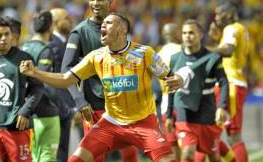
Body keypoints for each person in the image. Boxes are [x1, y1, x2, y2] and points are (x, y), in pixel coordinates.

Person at [20, 12, 185, 162]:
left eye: (108, 23)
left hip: (143, 122)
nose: (102, 26)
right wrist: (35, 73)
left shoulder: (145, 54)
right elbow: (65, 78)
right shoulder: (96, 57)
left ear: (122, 29)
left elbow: (171, 76)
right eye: (102, 24)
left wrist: (179, 80)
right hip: (111, 122)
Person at [61, 0, 138, 161]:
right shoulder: (80, 32)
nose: (95, 3)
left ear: (110, 1)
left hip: (123, 106)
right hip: (96, 106)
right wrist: (79, 101)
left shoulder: (120, 27)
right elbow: (66, 68)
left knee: (130, 155)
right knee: (95, 157)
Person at [0, 17, 44, 162]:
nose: (4, 39)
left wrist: (25, 111)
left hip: (17, 129)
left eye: (7, 34)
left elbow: (38, 87)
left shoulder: (24, 59)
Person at [166, 19, 229, 162]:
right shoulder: (175, 59)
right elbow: (171, 87)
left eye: (191, 33)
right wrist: (169, 114)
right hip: (184, 113)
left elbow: (224, 82)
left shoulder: (212, 58)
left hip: (207, 112)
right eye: (184, 33)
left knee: (213, 156)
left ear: (201, 35)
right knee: (188, 153)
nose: (187, 36)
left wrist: (222, 107)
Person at [208, 0, 250, 162]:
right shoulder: (240, 29)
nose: (216, 17)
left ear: (230, 14)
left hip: (231, 84)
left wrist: (202, 51)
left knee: (232, 134)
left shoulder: (232, 28)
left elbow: (228, 50)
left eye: (219, 14)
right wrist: (216, 42)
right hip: (232, 82)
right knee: (211, 131)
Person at [21, 11, 60, 162]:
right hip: (45, 113)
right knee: (47, 157)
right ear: (51, 27)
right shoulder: (45, 51)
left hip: (27, 113)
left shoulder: (22, 48)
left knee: (33, 156)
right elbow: (44, 81)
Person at [48, 8, 78, 162]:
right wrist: (68, 106)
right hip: (58, 106)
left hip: (68, 104)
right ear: (54, 23)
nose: (70, 20)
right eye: (66, 18)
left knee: (67, 150)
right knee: (59, 150)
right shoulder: (52, 45)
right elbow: (53, 79)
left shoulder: (66, 43)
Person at [157, 23, 182, 162]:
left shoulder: (157, 55)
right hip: (184, 99)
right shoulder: (183, 50)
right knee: (189, 141)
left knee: (172, 143)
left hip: (166, 102)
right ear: (174, 34)